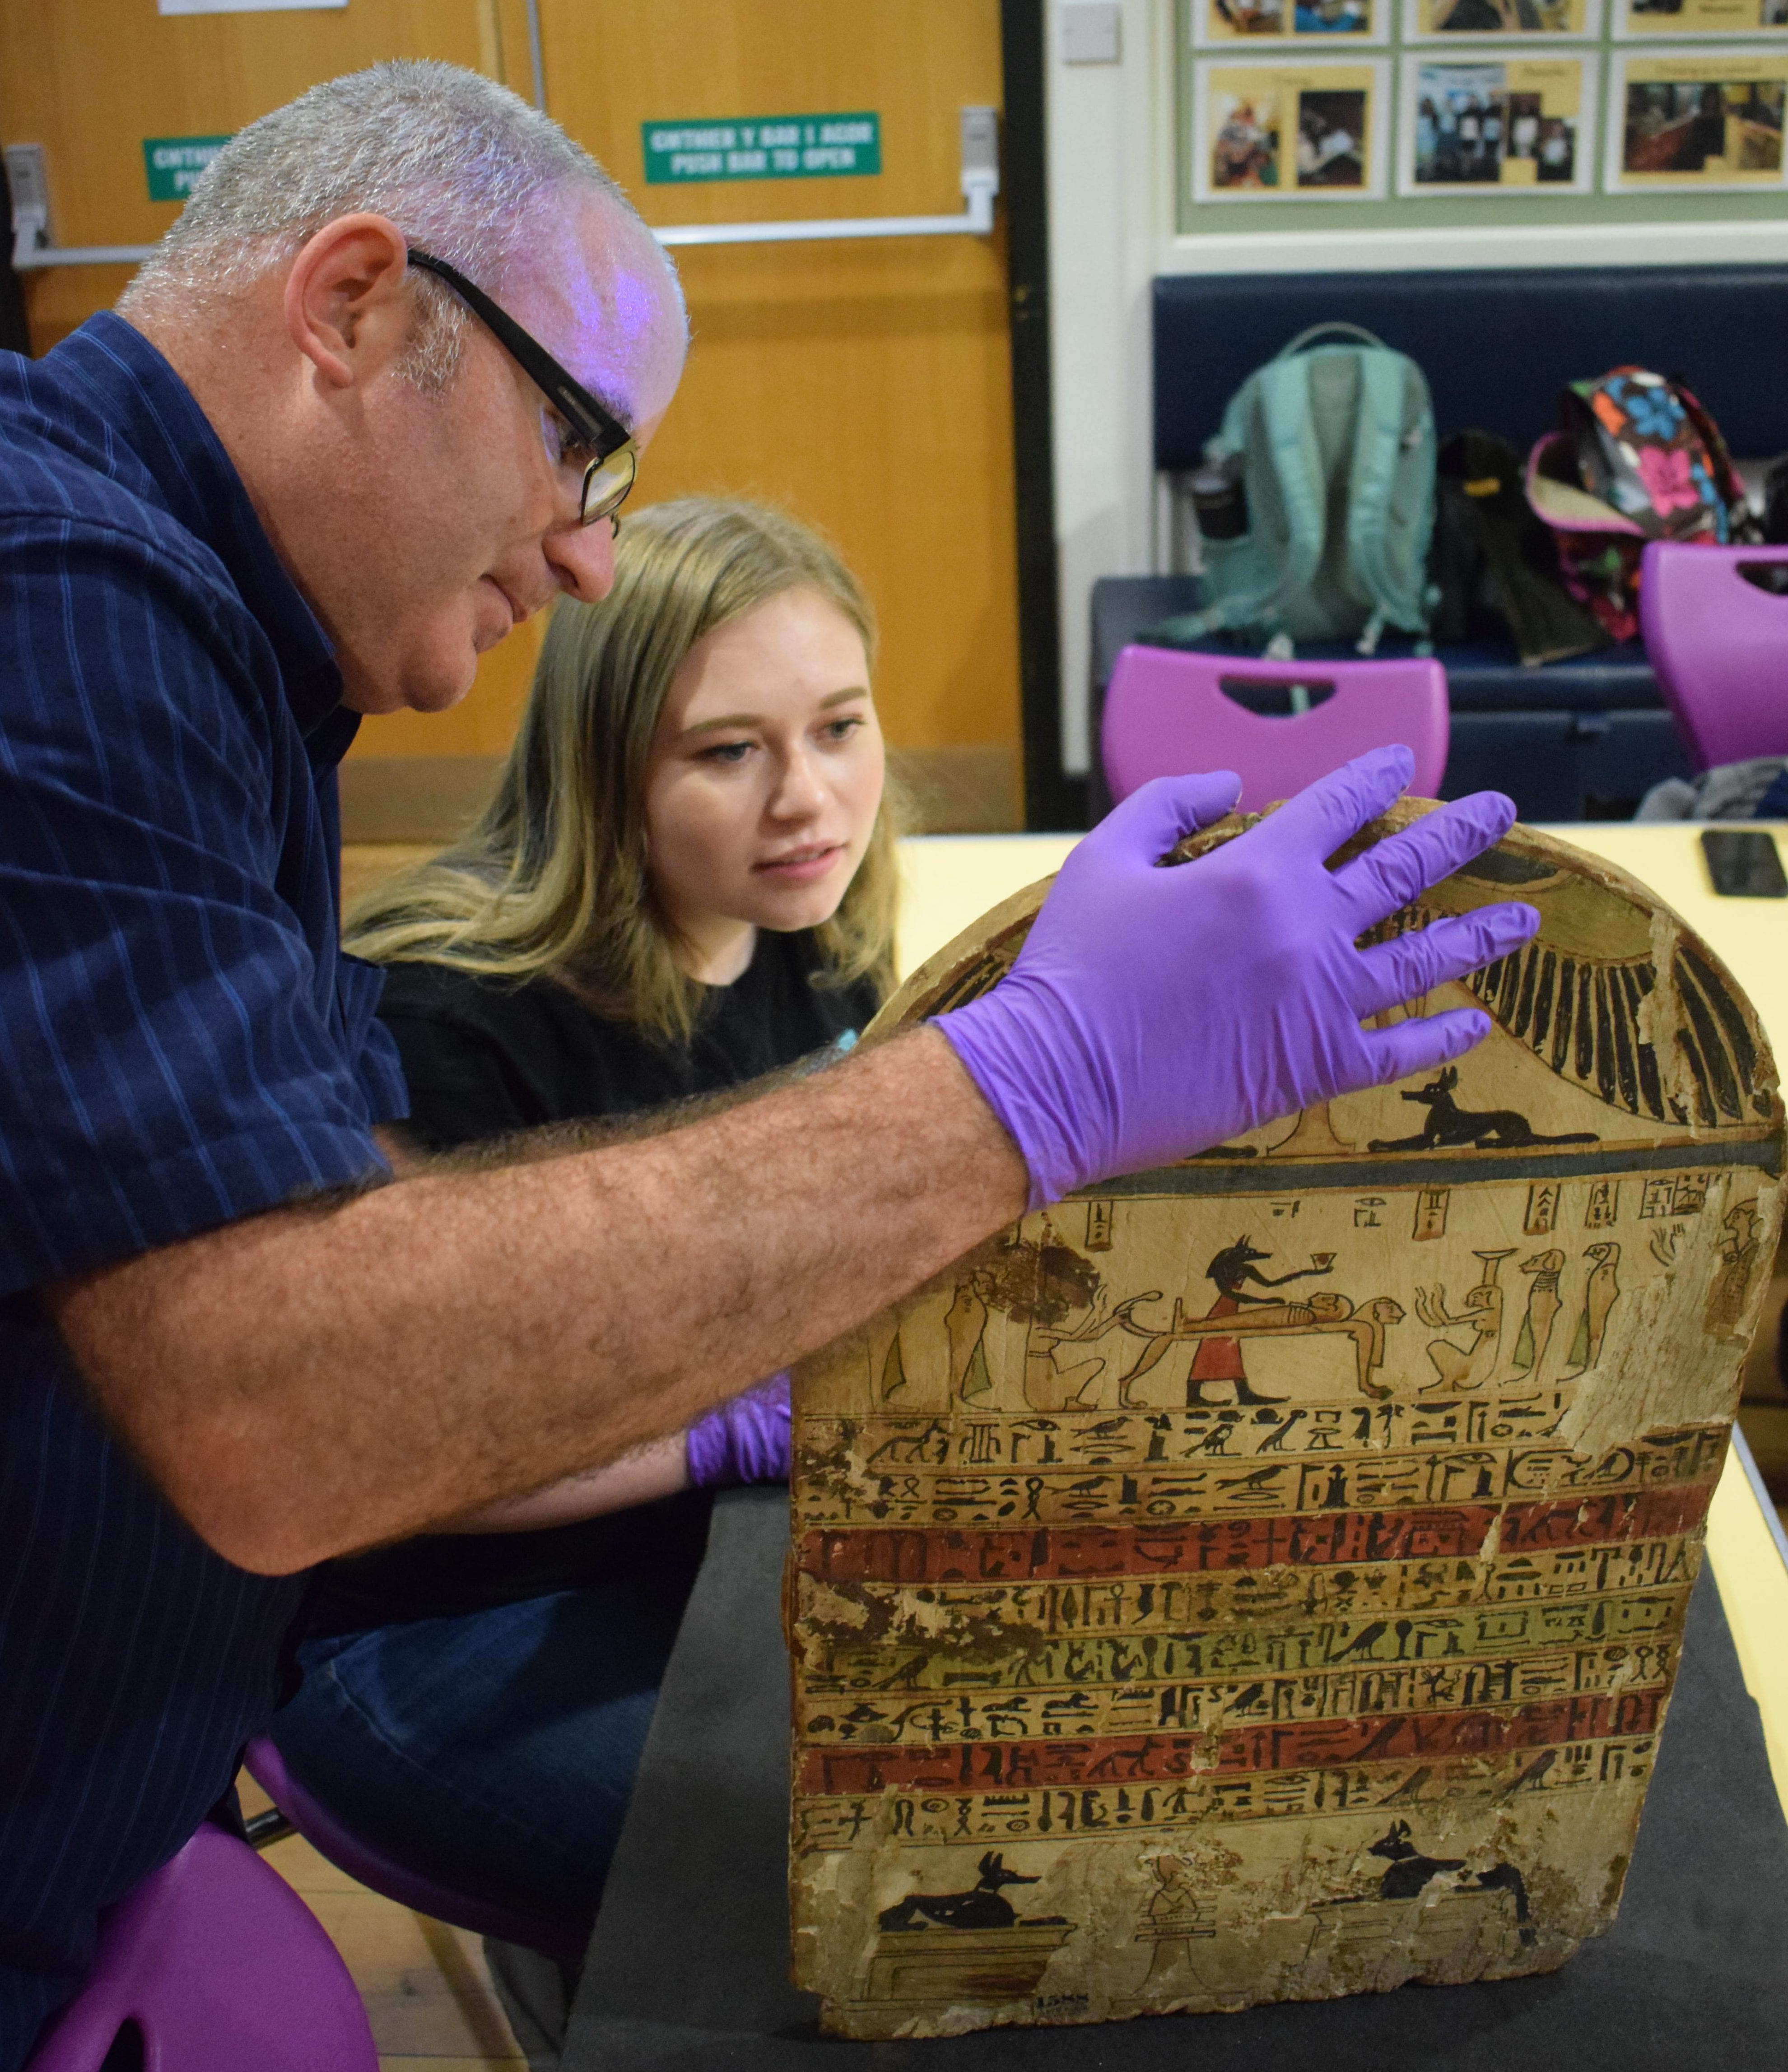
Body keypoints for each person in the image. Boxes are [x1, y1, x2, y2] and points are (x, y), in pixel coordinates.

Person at [0, 58, 1537, 2065]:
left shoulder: (217, 656)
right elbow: (291, 1411)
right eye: (577, 446)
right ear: (359, 305)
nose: (582, 557)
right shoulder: (62, 599)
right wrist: (1034, 1077)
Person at [267, 496, 898, 1936]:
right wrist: (726, 1417)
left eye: (840, 728)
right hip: (438, 1621)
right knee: (857, 1888)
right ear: (603, 768)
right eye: (729, 752)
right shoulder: (441, 1018)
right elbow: (383, 1471)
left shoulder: (817, 935)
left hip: (710, 1546)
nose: (807, 799)